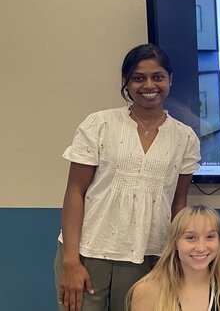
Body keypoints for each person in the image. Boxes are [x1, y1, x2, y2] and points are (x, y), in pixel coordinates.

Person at [54, 44, 201, 311]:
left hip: (149, 255)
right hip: (88, 254)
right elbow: (75, 192)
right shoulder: (99, 124)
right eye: (138, 77)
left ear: (170, 79)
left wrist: (178, 257)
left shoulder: (185, 137)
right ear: (126, 82)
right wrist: (71, 261)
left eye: (157, 77)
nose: (149, 85)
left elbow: (178, 203)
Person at [126, 204, 220, 311]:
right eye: (191, 238)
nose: (201, 248)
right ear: (175, 242)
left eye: (210, 237)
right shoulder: (146, 290)